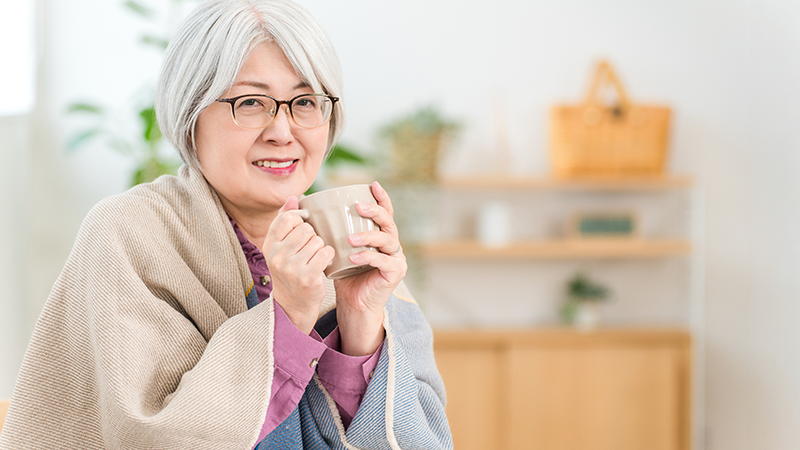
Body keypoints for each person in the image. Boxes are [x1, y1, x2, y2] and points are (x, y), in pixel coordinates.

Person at [0, 0, 452, 448]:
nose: (282, 130)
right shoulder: (128, 232)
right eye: (251, 101)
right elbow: (150, 438)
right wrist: (288, 315)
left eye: (305, 101)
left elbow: (425, 438)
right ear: (191, 114)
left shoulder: (348, 243)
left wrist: (360, 321)